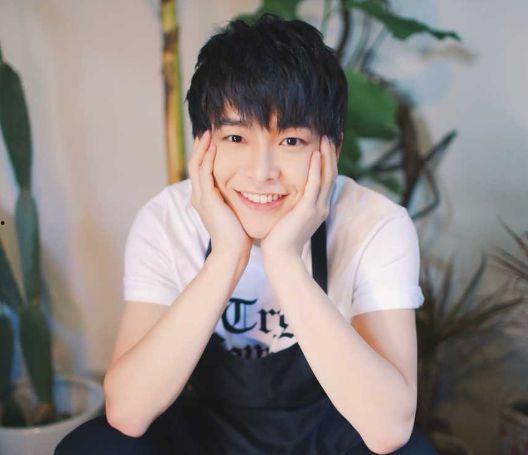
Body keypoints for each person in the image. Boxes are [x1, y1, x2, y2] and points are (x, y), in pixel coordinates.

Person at [55, 13, 437, 455]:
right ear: (203, 143)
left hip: (329, 438)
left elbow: (389, 428)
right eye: (236, 138)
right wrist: (227, 256)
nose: (261, 173)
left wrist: (285, 261)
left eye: (291, 141)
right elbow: (127, 411)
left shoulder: (375, 224)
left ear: (331, 148)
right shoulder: (166, 220)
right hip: (207, 437)